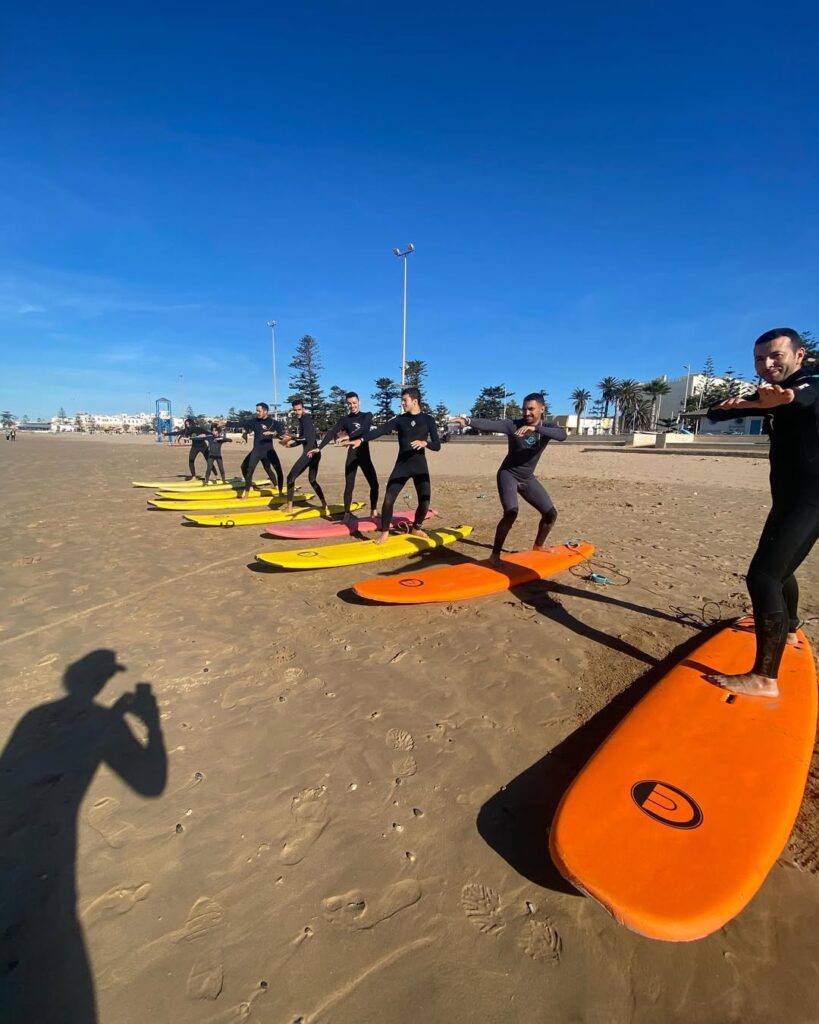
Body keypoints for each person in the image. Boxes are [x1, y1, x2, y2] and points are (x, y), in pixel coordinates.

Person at [706, 327, 819, 697]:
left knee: (763, 577)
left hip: (811, 498)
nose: (767, 364)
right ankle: (790, 629)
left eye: (775, 356)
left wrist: (781, 399)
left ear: (799, 355)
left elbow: (802, 398)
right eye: (759, 358)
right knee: (781, 569)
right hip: (788, 498)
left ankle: (765, 679)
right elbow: (715, 414)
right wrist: (738, 406)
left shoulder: (810, 383)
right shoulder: (769, 392)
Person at [450, 393, 566, 566]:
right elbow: (491, 424)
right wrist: (468, 421)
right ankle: (495, 555)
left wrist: (535, 429)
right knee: (511, 512)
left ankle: (538, 546)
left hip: (527, 478)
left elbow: (562, 435)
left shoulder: (547, 427)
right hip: (508, 475)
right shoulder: (514, 425)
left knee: (550, 514)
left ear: (542, 409)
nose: (526, 413)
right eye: (524, 409)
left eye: (531, 409)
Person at [341, 387, 439, 544]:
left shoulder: (428, 420)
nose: (402, 403)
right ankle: (385, 533)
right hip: (402, 466)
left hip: (420, 466)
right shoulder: (400, 419)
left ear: (415, 401)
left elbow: (437, 445)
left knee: (425, 501)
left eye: (405, 400)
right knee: (388, 500)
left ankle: (416, 527)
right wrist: (361, 440)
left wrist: (425, 443)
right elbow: (380, 430)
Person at [313, 392, 379, 525]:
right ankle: (347, 514)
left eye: (354, 403)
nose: (352, 406)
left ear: (359, 402)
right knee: (349, 486)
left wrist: (348, 437)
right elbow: (332, 432)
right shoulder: (345, 420)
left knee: (374, 485)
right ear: (347, 404)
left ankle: (373, 510)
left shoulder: (367, 415)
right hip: (352, 455)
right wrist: (320, 448)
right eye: (349, 403)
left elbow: (364, 429)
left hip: (364, 455)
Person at [227, 403, 285, 496]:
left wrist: (273, 434)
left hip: (269, 451)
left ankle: (279, 490)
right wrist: (226, 423)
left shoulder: (274, 423)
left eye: (259, 411)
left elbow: (282, 437)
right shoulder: (254, 421)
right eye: (256, 411)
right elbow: (241, 424)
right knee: (249, 469)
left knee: (277, 470)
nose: (257, 412)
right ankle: (247, 492)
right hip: (257, 450)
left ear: (265, 411)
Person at [280, 399, 327, 514]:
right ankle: (324, 504)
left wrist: (291, 437)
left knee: (290, 478)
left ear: (303, 409)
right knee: (312, 480)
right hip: (315, 454)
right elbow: (302, 439)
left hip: (309, 454)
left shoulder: (305, 419)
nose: (297, 412)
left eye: (299, 409)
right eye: (295, 410)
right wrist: (290, 445)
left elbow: (305, 438)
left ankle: (289, 507)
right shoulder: (303, 420)